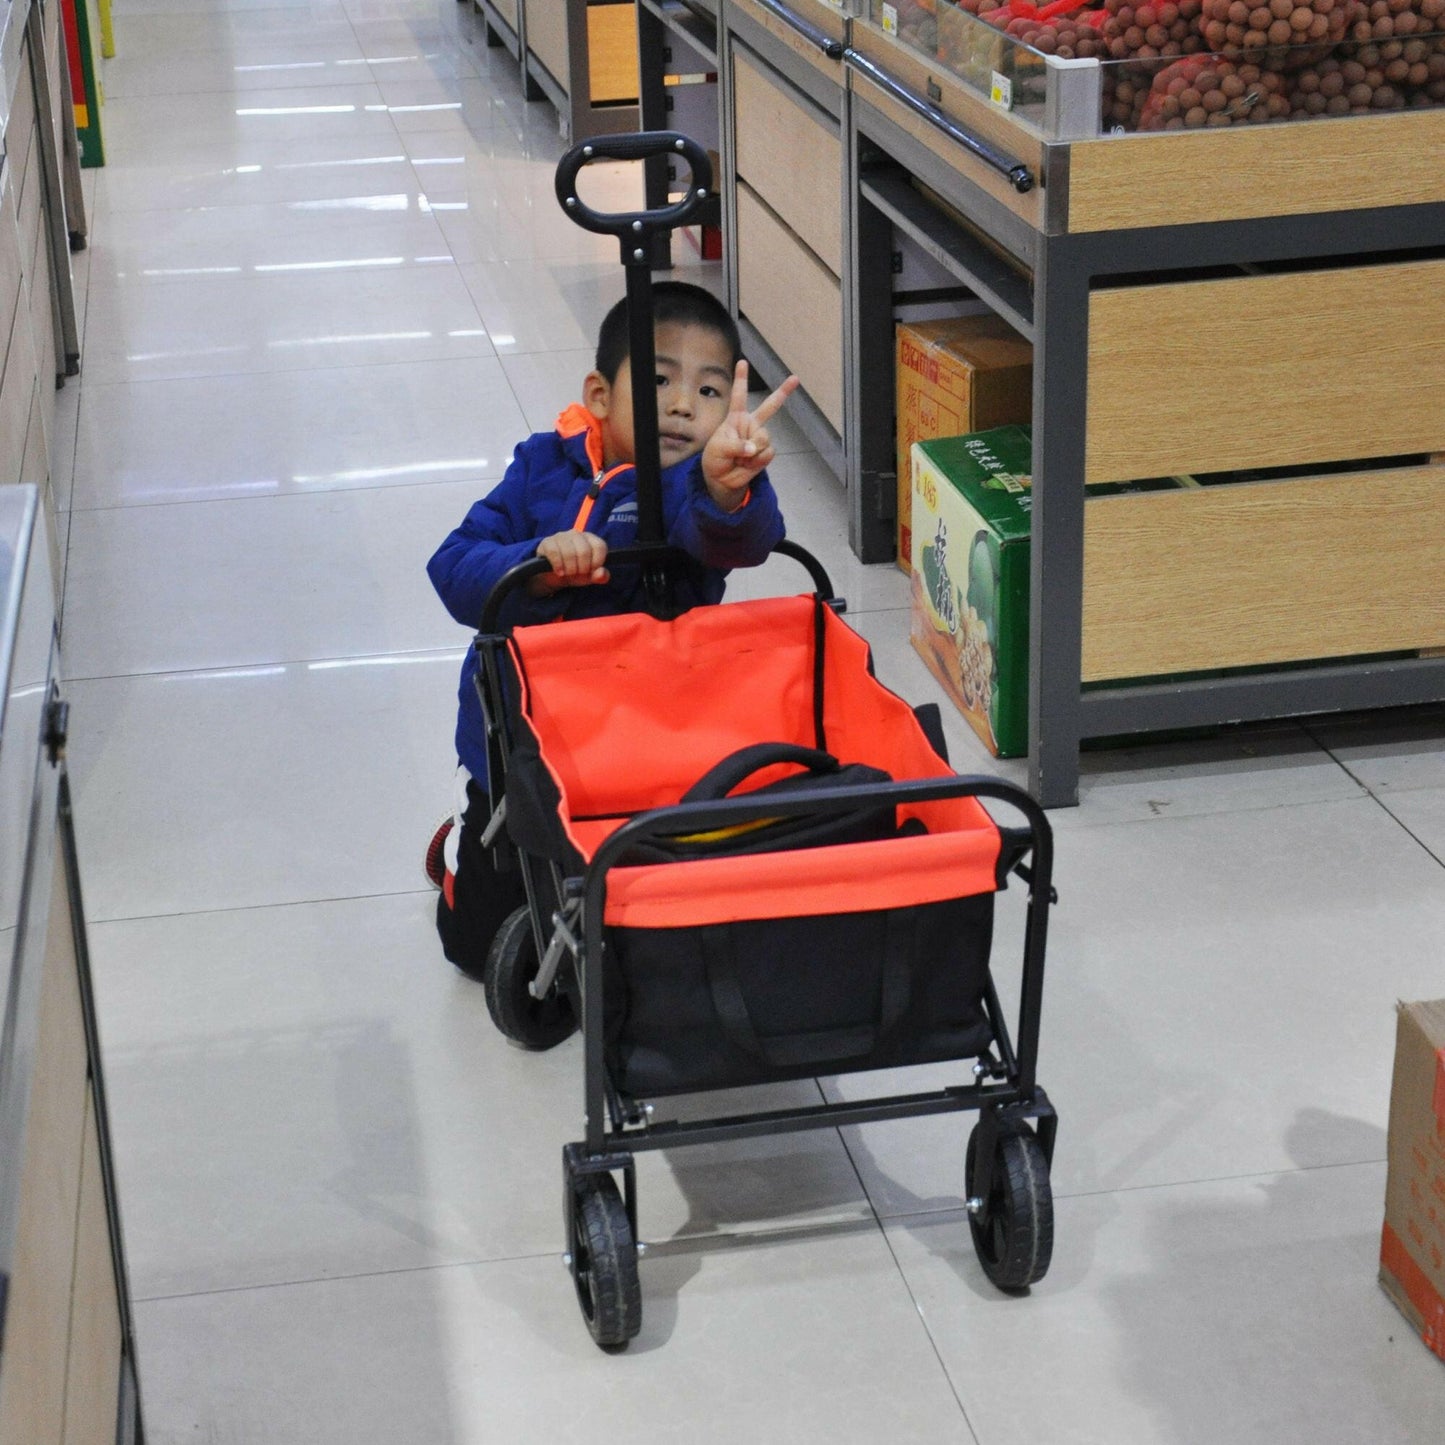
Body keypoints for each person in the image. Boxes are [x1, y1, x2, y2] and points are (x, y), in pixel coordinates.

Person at [426, 281, 797, 978]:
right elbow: (452, 566)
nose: (685, 404)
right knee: (473, 947)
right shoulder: (542, 466)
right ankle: (457, 843)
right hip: (518, 746)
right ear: (600, 395)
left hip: (645, 746)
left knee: (648, 936)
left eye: (711, 390)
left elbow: (738, 540)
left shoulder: (697, 488)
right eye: (660, 379)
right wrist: (533, 564)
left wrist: (727, 488)